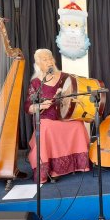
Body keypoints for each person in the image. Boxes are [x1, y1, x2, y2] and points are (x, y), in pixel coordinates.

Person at [24, 49, 90, 183]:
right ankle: (50, 170)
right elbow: (28, 107)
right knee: (46, 128)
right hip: (46, 118)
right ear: (38, 64)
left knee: (77, 124)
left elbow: (77, 91)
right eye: (44, 59)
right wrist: (42, 106)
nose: (49, 61)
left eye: (50, 58)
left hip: (64, 116)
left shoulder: (65, 77)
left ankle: (77, 165)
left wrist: (65, 96)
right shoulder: (36, 83)